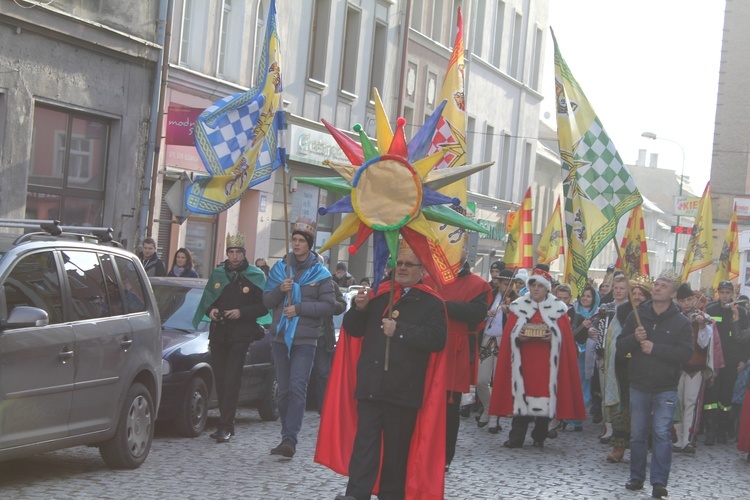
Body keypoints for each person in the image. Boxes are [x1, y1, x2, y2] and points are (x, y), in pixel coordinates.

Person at [320, 244, 448, 500]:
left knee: (395, 452)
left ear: (421, 269)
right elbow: (353, 330)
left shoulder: (432, 302)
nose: (401, 268)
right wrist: (360, 308)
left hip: (404, 389)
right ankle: (356, 494)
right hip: (371, 385)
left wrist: (399, 330)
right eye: (398, 263)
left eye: (408, 264)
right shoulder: (379, 295)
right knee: (364, 447)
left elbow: (437, 339)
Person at [263, 216, 336, 459]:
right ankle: (286, 431)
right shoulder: (280, 268)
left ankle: (290, 439)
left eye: (301, 240)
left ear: (309, 244)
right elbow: (266, 302)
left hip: (306, 339)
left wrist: (300, 308)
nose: (296, 244)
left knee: (297, 386)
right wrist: (279, 290)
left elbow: (329, 306)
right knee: (283, 390)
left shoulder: (321, 273)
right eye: (293, 239)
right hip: (281, 337)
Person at [489, 268, 586, 449]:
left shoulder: (558, 309)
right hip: (523, 363)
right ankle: (516, 438)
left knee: (544, 397)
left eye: (540, 286)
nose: (535, 289)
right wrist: (519, 337)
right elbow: (511, 334)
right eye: (533, 285)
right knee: (521, 396)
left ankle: (539, 436)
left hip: (547, 364)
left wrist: (553, 338)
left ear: (546, 289)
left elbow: (565, 338)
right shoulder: (519, 306)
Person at [616, 270, 693, 498]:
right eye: (656, 284)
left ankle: (659, 481)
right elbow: (621, 347)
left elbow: (685, 353)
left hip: (665, 387)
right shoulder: (638, 315)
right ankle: (636, 477)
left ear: (673, 293)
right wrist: (634, 339)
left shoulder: (681, 322)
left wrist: (655, 348)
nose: (657, 288)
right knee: (638, 434)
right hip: (639, 383)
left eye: (663, 286)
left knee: (661, 434)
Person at [191, 233, 267, 443]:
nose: (234, 257)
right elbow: (207, 301)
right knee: (222, 378)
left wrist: (241, 312)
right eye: (231, 252)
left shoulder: (255, 275)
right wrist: (212, 311)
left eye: (238, 253)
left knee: (232, 378)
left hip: (241, 334)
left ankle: (226, 425)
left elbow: (263, 305)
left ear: (244, 254)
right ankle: (224, 423)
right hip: (219, 333)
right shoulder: (218, 274)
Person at [424, 238, 491, 471]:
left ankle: (443, 457)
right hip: (426, 348)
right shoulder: (427, 279)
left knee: (447, 409)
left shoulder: (478, 284)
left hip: (455, 351)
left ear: (465, 251)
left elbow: (476, 313)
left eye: (458, 246)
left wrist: (441, 305)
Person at [704, 280, 750, 445]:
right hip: (715, 360)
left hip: (732, 360)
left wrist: (743, 360)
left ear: (733, 294)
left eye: (727, 293)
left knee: (726, 397)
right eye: (722, 292)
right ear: (718, 293)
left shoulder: (741, 312)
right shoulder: (710, 309)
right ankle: (710, 431)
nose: (725, 296)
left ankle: (722, 430)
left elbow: (745, 339)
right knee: (711, 396)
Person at [673, 284, 716, 454]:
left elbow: (704, 344)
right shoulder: (675, 317)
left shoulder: (703, 318)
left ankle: (687, 440)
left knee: (690, 402)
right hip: (677, 366)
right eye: (683, 300)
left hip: (695, 367)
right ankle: (678, 438)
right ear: (678, 301)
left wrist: (702, 326)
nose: (687, 303)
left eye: (689, 299)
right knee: (676, 403)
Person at [477, 269, 517, 433]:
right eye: (505, 284)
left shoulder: (517, 300)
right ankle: (488, 407)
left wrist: (511, 312)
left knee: (499, 381)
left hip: (505, 342)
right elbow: (477, 313)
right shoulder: (488, 295)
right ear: (499, 283)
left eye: (510, 284)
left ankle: (494, 418)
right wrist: (485, 314)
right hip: (487, 339)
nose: (508, 288)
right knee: (481, 380)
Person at [565, 283, 601, 431]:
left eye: (589, 296)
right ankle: (567, 414)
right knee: (572, 383)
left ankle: (578, 417)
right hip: (574, 352)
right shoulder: (572, 311)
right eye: (583, 296)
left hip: (588, 355)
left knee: (584, 385)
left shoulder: (599, 313)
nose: (585, 299)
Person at [311, 276, 347, 413]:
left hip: (323, 337)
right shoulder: (300, 281)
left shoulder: (331, 284)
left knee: (323, 373)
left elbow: (341, 305)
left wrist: (330, 303)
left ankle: (325, 409)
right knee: (299, 376)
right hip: (303, 336)